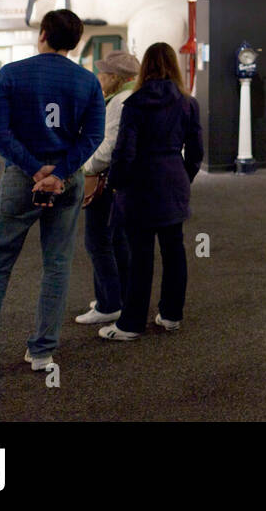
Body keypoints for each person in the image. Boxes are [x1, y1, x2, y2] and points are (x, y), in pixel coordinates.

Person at [0, 9, 105, 383]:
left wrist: (34, 170)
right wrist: (59, 173)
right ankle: (43, 351)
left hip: (22, 180)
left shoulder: (11, 74)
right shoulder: (88, 81)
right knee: (57, 265)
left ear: (43, 33)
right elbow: (93, 137)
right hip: (68, 181)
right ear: (75, 42)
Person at [98, 42, 202, 341]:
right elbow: (196, 152)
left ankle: (131, 324)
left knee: (140, 255)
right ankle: (171, 315)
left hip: (139, 186)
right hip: (173, 181)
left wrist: (117, 183)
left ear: (145, 67)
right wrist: (184, 176)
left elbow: (125, 152)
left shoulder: (135, 103)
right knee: (174, 251)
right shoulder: (188, 103)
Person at [73, 50, 140, 326]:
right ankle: (117, 296)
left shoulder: (118, 102)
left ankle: (109, 303)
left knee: (97, 241)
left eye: (102, 73)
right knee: (117, 241)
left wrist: (85, 167)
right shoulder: (131, 96)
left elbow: (109, 146)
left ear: (114, 77)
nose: (98, 78)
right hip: (125, 182)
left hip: (108, 180)